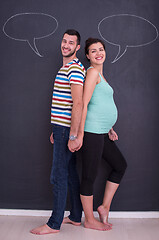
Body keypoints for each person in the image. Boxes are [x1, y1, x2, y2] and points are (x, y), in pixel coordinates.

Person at [30, 29, 85, 235]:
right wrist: (57, 128)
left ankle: (54, 223)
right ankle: (76, 216)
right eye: (64, 41)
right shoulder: (67, 67)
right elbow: (66, 104)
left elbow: (78, 103)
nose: (66, 45)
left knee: (58, 176)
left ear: (77, 47)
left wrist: (71, 135)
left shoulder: (74, 69)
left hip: (66, 130)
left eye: (71, 43)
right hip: (61, 128)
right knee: (69, 173)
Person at [75, 38, 127, 231]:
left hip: (102, 132)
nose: (98, 53)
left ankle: (104, 207)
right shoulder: (92, 73)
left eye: (101, 49)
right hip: (91, 132)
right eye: (93, 51)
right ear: (87, 55)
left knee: (120, 165)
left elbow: (101, 104)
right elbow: (84, 104)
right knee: (89, 176)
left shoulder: (101, 75)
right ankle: (88, 219)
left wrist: (110, 127)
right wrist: (79, 135)